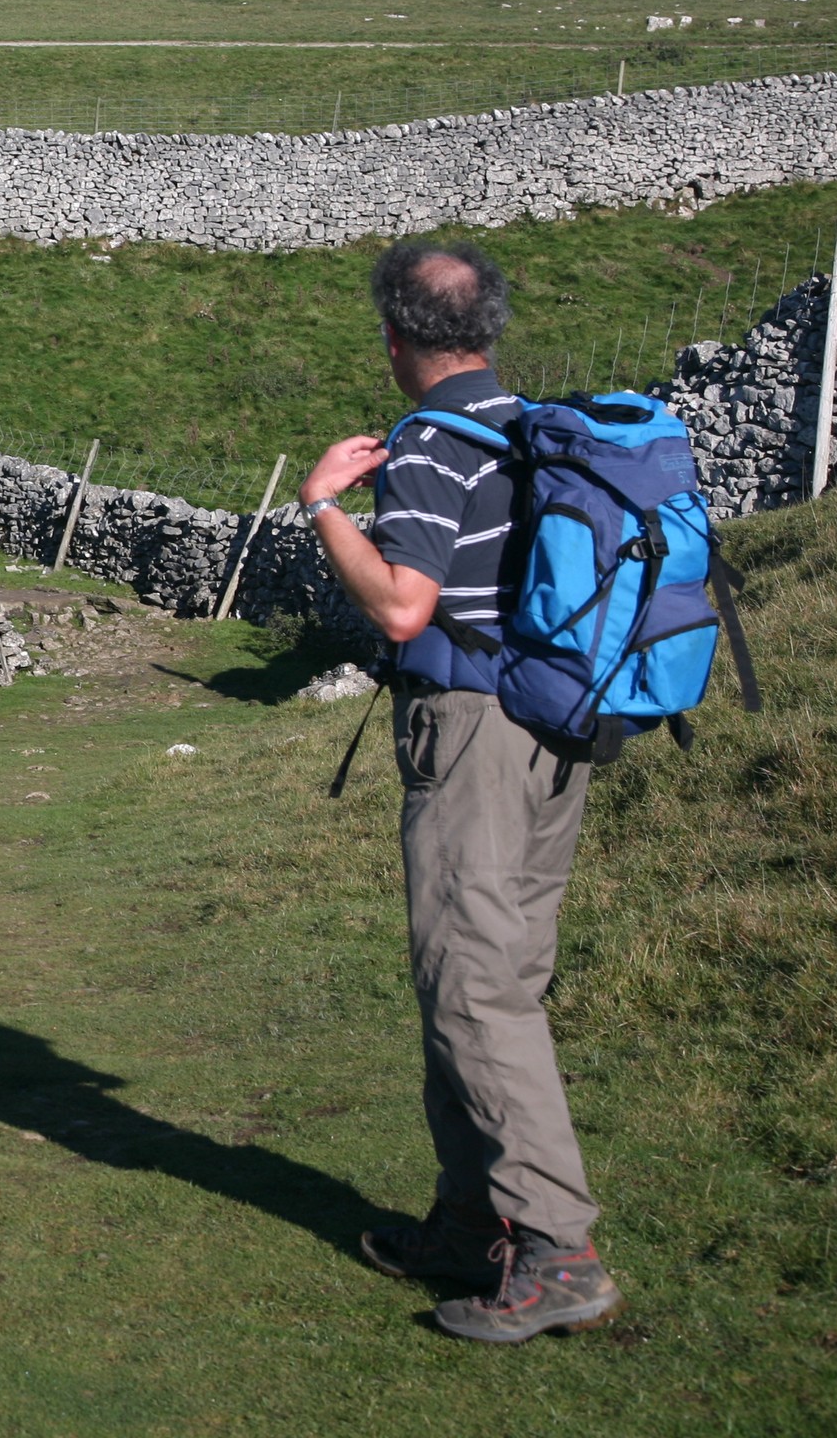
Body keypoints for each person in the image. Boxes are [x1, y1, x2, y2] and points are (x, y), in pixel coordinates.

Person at [296, 241, 625, 1344]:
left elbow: (400, 607)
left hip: (471, 735)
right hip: (552, 724)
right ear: (486, 328)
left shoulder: (431, 444)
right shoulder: (524, 424)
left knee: (471, 986)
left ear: (394, 338)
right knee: (500, 976)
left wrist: (324, 506)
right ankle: (467, 1220)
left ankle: (555, 1249)